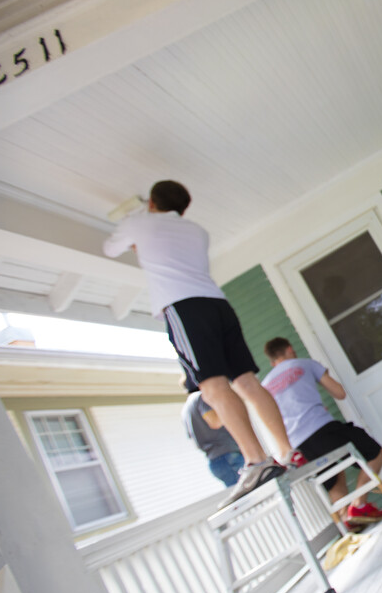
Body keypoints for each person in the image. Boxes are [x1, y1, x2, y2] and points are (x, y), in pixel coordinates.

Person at [104, 180, 293, 507]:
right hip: (218, 304)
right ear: (182, 207)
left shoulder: (139, 222)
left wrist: (133, 223)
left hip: (183, 308)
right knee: (246, 381)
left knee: (212, 387)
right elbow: (164, 250)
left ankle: (256, 461)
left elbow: (110, 248)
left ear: (151, 202)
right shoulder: (196, 231)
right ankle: (289, 451)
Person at [261, 337, 382, 525]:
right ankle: (359, 505)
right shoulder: (305, 364)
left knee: (332, 478)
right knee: (376, 453)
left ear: (272, 362)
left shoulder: (264, 387)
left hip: (298, 444)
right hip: (322, 428)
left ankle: (347, 521)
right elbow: (339, 393)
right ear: (289, 349)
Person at [183, 390, 245, 487]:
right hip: (229, 456)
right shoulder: (201, 398)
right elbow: (214, 421)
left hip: (215, 461)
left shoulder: (185, 410)